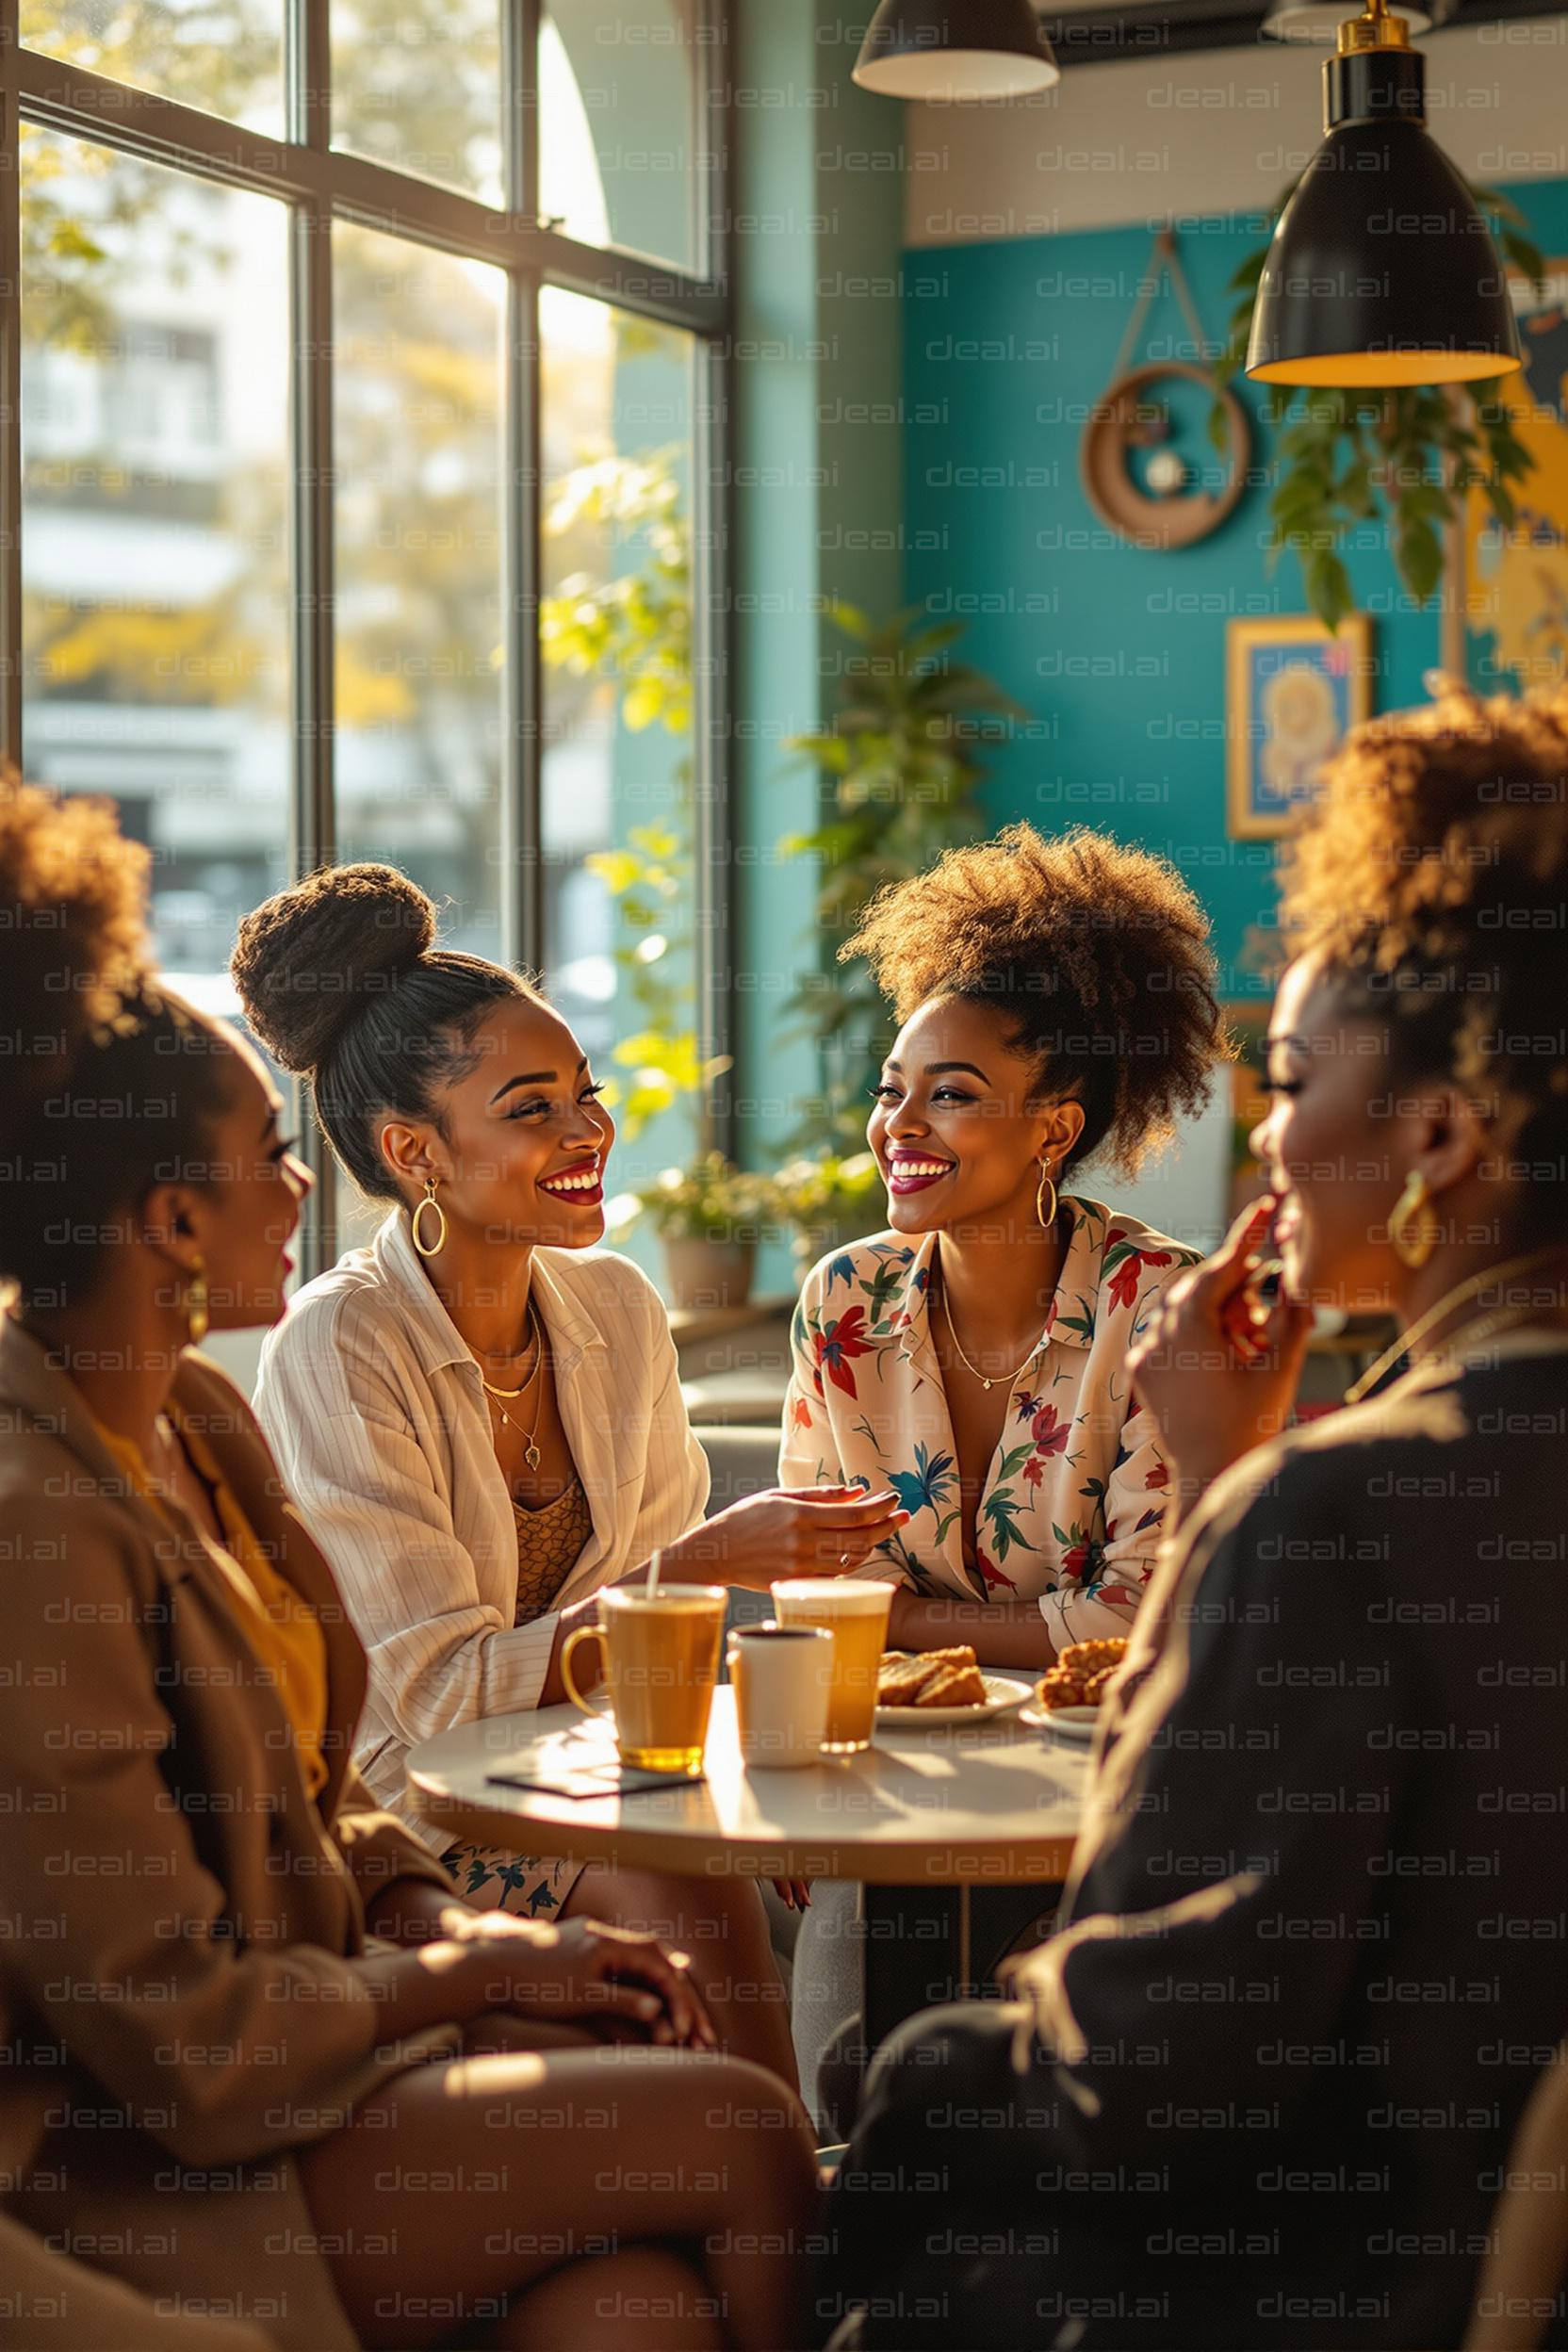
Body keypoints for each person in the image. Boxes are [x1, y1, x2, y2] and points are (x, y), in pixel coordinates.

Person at [0, 773, 818, 2352]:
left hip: (336, 2025)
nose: (306, 1187)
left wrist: (444, 1925)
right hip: (146, 2155)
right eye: (266, 1154)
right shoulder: (41, 1519)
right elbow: (187, 2036)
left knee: (630, 2313)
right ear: (171, 1215)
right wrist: (461, 1970)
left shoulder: (196, 1430)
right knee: (743, 2134)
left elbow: (324, 1805)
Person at [825, 678, 1568, 2349]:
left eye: (1293, 1075)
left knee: (912, 2100)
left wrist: (1241, 1494)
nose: (1263, 1145)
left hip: (1315, 2287)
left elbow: (1137, 2073)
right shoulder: (1356, 1487)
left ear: (1439, 1134)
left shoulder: (1343, 1508)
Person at [235, 862, 906, 2082]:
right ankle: (791, 2188)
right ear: (414, 1152)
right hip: (420, 1829)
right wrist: (699, 1563)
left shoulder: (618, 1308)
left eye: (585, 1096)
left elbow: (671, 1658)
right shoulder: (340, 1346)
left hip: (606, 1784)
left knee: (744, 1860)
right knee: (679, 1890)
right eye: (532, 1108)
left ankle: (783, 2187)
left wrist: (740, 1782)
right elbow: (433, 1706)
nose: (589, 1130)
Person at [780, 822, 1226, 1674]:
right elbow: (823, 1580)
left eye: (950, 1094)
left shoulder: (1160, 1305)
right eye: (891, 1091)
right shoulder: (844, 1302)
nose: (898, 1126)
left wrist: (905, 1625)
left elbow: (1148, 1616)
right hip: (894, 1749)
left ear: (1053, 1131)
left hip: (1099, 1751)